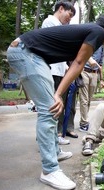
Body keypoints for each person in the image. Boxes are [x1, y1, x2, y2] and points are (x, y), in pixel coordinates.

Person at [7, 14, 104, 190]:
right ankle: (49, 170)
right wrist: (58, 94)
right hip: (25, 52)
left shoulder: (86, 31)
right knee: (50, 108)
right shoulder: (98, 32)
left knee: (52, 107)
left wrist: (58, 92)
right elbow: (80, 62)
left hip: (32, 54)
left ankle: (55, 152)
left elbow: (74, 60)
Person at [41, 0, 76, 145]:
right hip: (52, 72)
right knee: (52, 106)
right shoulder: (50, 23)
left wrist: (67, 68)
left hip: (59, 72)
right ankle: (49, 139)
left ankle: (53, 137)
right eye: (69, 14)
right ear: (61, 9)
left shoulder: (58, 25)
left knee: (57, 106)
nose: (70, 18)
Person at [79, 46, 104, 132]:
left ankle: (84, 120)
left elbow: (101, 64)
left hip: (94, 74)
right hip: (84, 71)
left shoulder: (102, 46)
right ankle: (84, 123)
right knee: (84, 99)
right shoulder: (90, 40)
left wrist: (101, 79)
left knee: (89, 99)